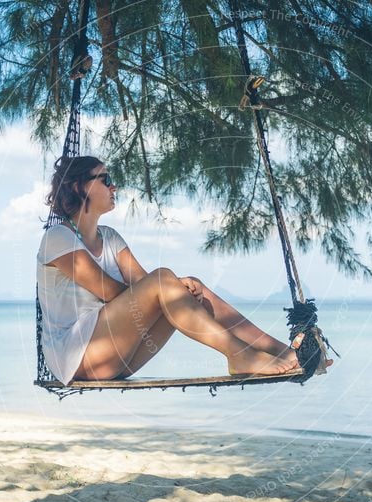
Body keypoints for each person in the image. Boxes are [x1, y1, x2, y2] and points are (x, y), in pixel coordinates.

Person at [36, 155, 302, 385]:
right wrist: (166, 286)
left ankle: (282, 351)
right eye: (105, 179)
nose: (113, 186)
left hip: (119, 357)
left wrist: (179, 287)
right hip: (79, 357)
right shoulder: (58, 237)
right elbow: (111, 292)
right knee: (165, 281)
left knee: (191, 286)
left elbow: (143, 283)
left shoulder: (111, 237)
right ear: (77, 186)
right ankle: (238, 354)